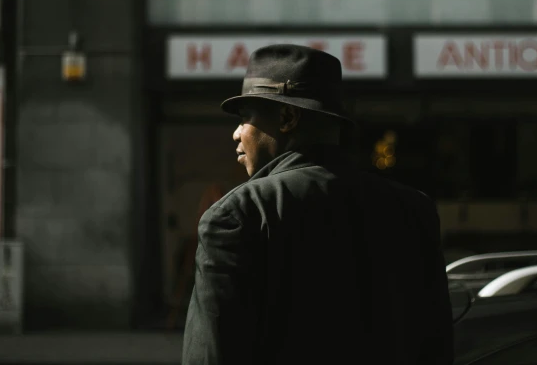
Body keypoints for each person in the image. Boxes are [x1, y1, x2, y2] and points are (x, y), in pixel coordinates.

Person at [182, 44, 453, 365]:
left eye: (246, 118)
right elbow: (436, 344)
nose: (237, 134)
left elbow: (212, 354)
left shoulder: (238, 215)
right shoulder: (414, 208)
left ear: (286, 117)